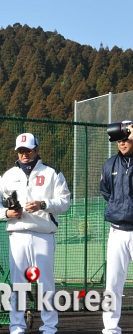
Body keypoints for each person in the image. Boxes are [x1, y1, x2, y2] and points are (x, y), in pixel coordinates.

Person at [0, 133, 70, 334]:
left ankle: (49, 326)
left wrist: (44, 204)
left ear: (37, 149)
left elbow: (65, 202)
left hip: (43, 234)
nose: (25, 154)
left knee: (46, 283)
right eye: (21, 151)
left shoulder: (52, 173)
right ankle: (17, 326)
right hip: (17, 234)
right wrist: (6, 213)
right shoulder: (8, 175)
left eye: (29, 150)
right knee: (18, 284)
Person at [100, 124, 133, 334]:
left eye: (126, 138)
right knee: (112, 283)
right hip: (117, 230)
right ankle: (111, 329)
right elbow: (106, 192)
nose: (121, 142)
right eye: (118, 140)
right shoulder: (110, 164)